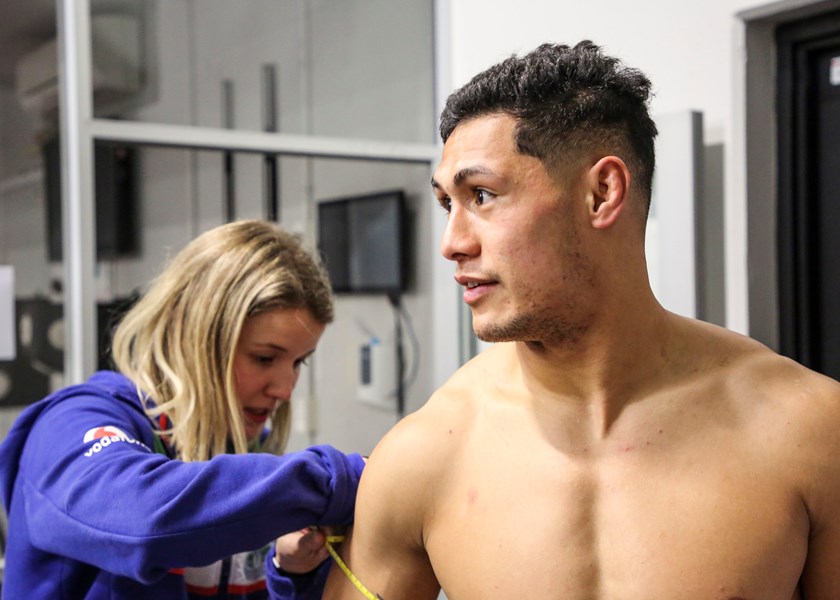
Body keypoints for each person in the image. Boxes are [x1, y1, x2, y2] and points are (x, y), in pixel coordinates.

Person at [308, 40, 840, 598]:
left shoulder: (807, 432)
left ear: (601, 193)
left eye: (482, 195)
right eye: (448, 203)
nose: (452, 243)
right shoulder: (422, 456)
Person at [0, 219, 365, 599]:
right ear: (192, 333)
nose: (285, 390)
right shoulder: (73, 422)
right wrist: (341, 480)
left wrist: (289, 574)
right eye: (264, 358)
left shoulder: (247, 462)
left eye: (298, 362)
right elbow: (142, 519)